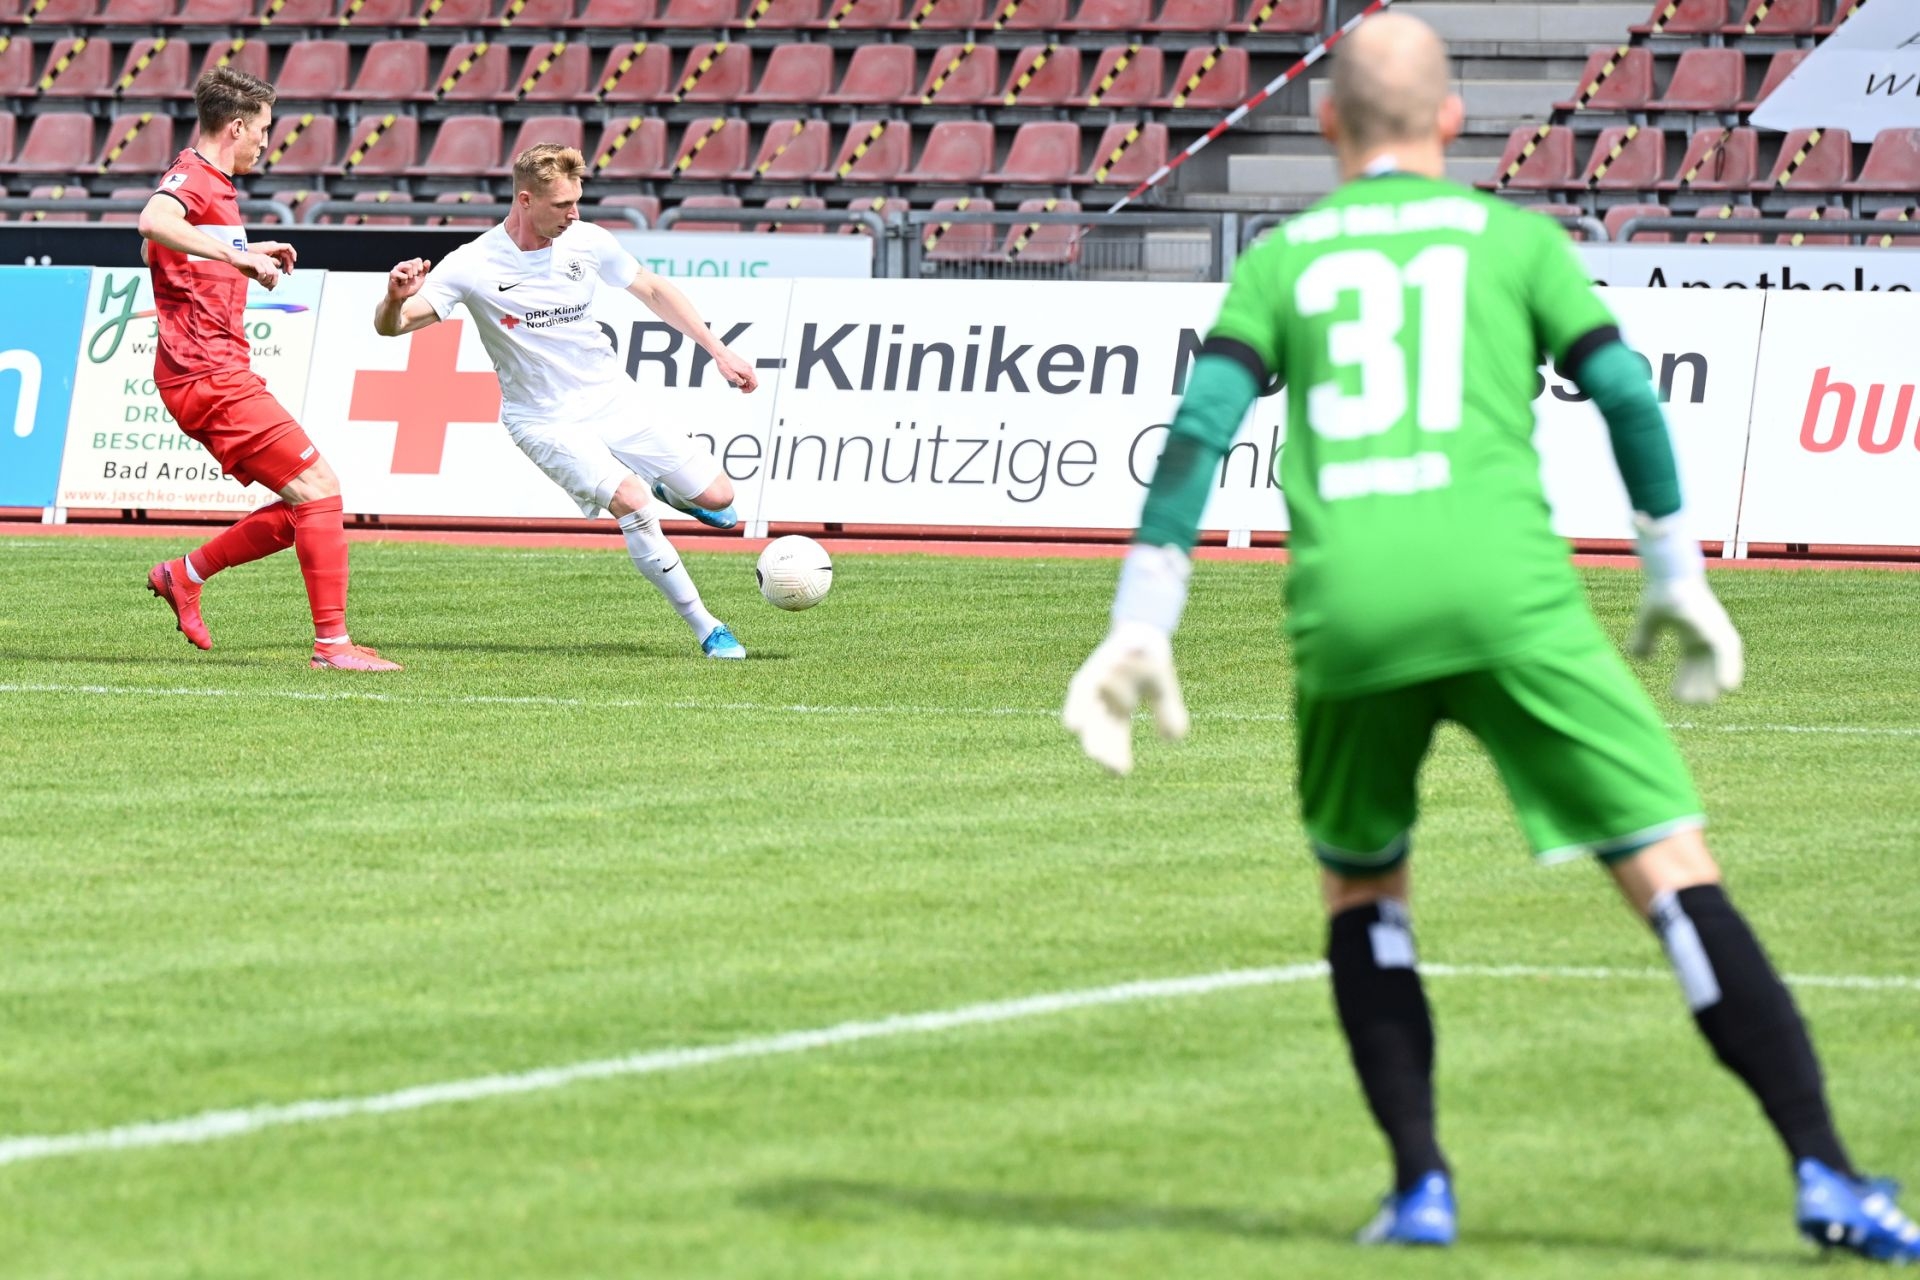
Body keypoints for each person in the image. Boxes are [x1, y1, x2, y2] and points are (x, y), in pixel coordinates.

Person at [1064, 12, 1918, 1263]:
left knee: (1364, 886)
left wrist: (1143, 617)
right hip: (1510, 598)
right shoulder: (1515, 240)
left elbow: (1200, 428)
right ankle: (1826, 1174)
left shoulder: (1285, 258)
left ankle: (1421, 1186)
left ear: (1330, 123)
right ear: (1454, 120)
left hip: (1351, 608)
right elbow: (1623, 391)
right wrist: (1674, 570)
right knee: (1670, 870)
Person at [372, 144, 755, 660]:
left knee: (719, 497)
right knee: (631, 501)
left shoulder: (588, 240)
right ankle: (709, 627)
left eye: (577, 201)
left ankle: (674, 489)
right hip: (544, 419)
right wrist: (394, 298)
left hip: (612, 396)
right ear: (525, 200)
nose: (574, 214)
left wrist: (718, 351)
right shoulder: (473, 263)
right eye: (562, 205)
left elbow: (651, 289)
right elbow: (393, 327)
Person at [140, 67, 399, 671]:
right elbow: (153, 223)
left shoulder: (210, 184)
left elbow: (168, 250)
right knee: (320, 489)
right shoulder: (193, 176)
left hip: (212, 370)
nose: (266, 141)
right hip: (207, 374)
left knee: (304, 504)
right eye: (262, 128)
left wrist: (247, 251)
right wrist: (237, 256)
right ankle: (332, 646)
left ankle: (185, 575)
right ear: (236, 126)